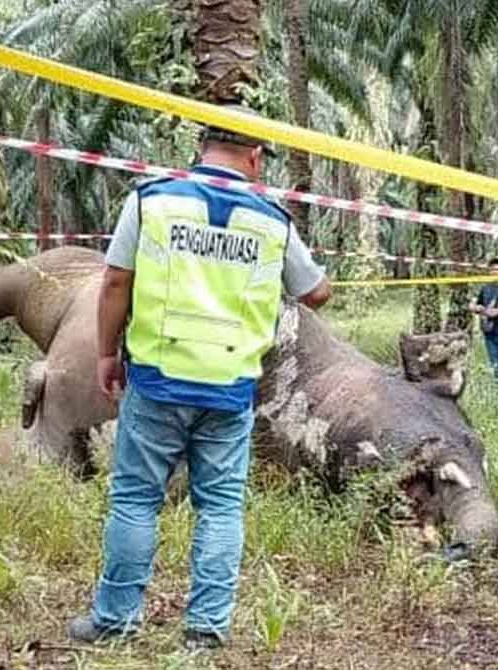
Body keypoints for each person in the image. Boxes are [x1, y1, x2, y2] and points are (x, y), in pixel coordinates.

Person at [68, 104, 331, 650]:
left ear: (202, 144)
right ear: (256, 156)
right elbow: (316, 292)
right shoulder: (272, 218)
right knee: (221, 505)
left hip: (158, 377)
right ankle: (206, 631)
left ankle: (115, 622)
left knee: (137, 499)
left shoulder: (152, 198)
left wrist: (105, 354)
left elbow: (116, 281)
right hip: (230, 387)